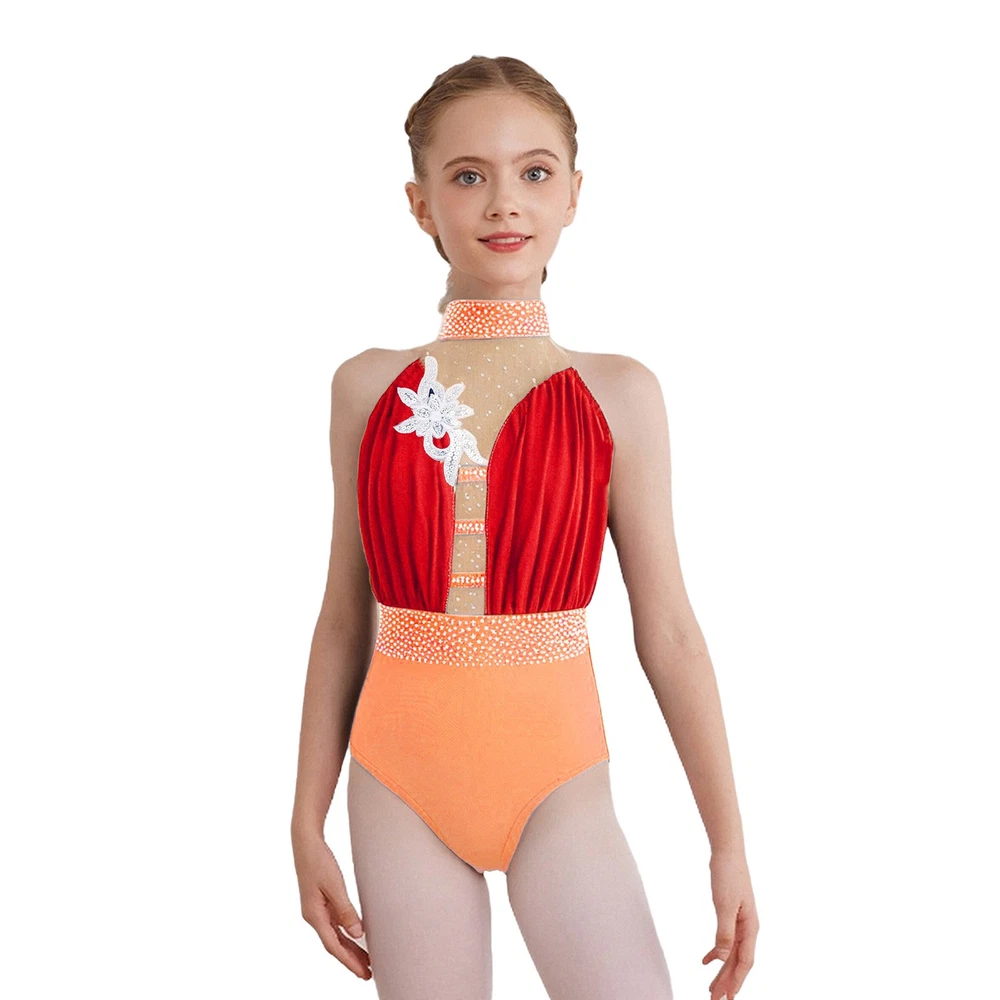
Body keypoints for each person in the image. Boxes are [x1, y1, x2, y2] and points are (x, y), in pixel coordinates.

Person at [291, 55, 759, 1000]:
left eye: (534, 172)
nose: (504, 201)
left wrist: (728, 843)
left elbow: (669, 630)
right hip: (398, 780)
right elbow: (345, 616)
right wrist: (306, 820)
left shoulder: (620, 393)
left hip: (559, 781)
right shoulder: (367, 388)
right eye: (469, 175)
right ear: (421, 204)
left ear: (575, 193)